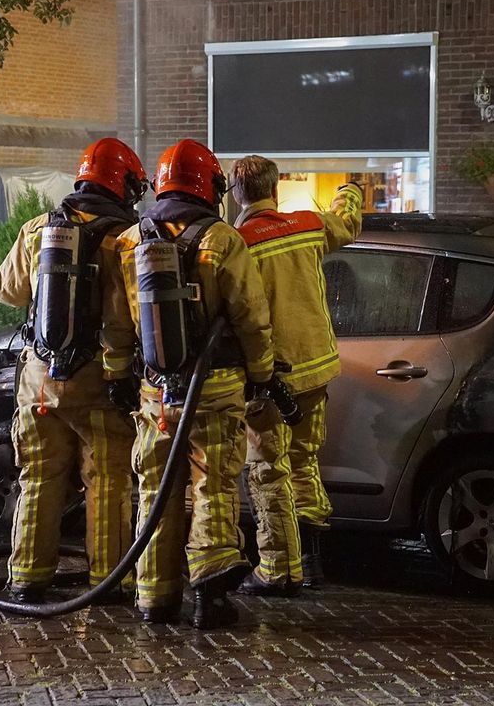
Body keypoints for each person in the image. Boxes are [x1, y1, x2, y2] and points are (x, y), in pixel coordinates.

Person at [102, 139, 282, 629]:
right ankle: (210, 599)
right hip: (216, 390)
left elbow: (117, 325)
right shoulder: (224, 239)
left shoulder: (129, 241)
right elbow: (251, 318)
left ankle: (154, 600)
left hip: (155, 394)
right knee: (213, 490)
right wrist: (262, 376)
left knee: (155, 492)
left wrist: (119, 375)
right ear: (212, 186)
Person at [0, 138, 145, 604]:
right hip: (99, 383)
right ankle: (107, 580)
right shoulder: (126, 240)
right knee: (108, 480)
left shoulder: (39, 229)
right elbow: (129, 319)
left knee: (38, 477)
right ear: (124, 185)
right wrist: (122, 376)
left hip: (40, 382)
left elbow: (6, 291)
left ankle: (27, 578)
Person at [230, 156, 363, 594]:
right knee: (305, 461)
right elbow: (346, 223)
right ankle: (312, 562)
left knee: (269, 469)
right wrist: (350, 191)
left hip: (272, 376)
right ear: (275, 188)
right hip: (316, 369)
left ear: (236, 193)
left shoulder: (237, 242)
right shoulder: (307, 225)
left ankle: (279, 570)